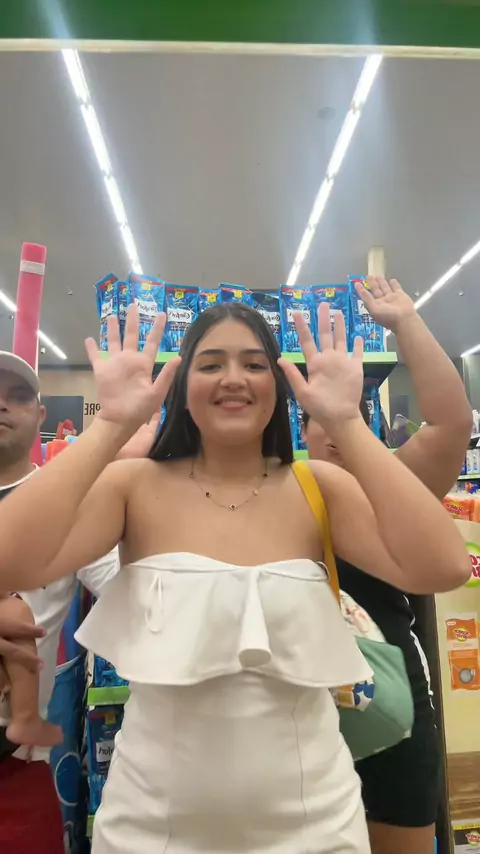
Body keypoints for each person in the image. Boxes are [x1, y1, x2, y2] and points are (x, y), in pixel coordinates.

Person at [0, 302, 470, 854]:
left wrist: (346, 422)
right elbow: (11, 560)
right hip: (150, 828)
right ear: (182, 386)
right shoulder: (133, 487)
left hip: (317, 827)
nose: (232, 378)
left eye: (253, 364)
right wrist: (110, 426)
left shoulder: (317, 487)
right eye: (210, 364)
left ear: (277, 385)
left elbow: (444, 565)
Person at [302, 277, 472, 854]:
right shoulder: (278, 493)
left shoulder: (393, 484)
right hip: (294, 717)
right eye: (319, 417)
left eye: (348, 414)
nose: (333, 429)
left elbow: (451, 426)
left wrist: (406, 322)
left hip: (392, 712)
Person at [0, 351, 125, 854]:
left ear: (40, 415)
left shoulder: (70, 507)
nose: (2, 406)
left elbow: (133, 589)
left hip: (14, 772)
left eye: (17, 397)